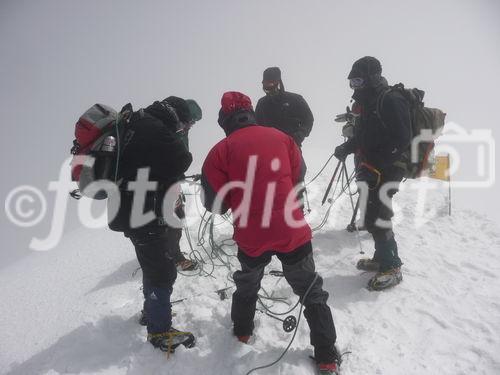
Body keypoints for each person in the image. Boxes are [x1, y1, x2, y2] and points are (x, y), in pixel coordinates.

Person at [201, 91, 341, 374]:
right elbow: (298, 172)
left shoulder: (219, 151)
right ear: (251, 112)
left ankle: (242, 332)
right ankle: (326, 356)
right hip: (291, 229)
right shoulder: (282, 137)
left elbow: (214, 204)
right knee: (311, 290)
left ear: (224, 119)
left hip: (252, 235)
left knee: (247, 283)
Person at [107, 97, 196, 352]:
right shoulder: (153, 128)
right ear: (175, 116)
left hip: (127, 210)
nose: (182, 129)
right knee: (162, 271)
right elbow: (182, 160)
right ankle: (159, 331)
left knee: (152, 263)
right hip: (143, 214)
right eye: (183, 125)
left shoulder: (135, 123)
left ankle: (151, 312)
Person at [334, 56, 411, 291]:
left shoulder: (391, 99)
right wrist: (347, 147)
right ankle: (381, 258)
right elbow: (365, 135)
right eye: (352, 82)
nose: (355, 86)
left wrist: (377, 165)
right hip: (373, 167)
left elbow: (403, 139)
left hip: (390, 167)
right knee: (370, 215)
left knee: (379, 216)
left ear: (372, 77)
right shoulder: (369, 101)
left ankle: (392, 267)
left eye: (358, 80)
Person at [161, 97, 203, 272]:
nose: (192, 125)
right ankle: (174, 257)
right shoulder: (169, 131)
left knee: (177, 216)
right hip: (164, 184)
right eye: (192, 120)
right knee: (173, 219)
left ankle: (167, 251)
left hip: (172, 181)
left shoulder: (181, 131)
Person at [255, 67, 314, 147]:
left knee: (297, 159)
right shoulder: (262, 103)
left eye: (271, 83)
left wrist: (301, 134)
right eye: (265, 83)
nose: (268, 87)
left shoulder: (295, 99)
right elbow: (256, 126)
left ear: (278, 82)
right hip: (269, 147)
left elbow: (308, 119)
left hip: (292, 146)